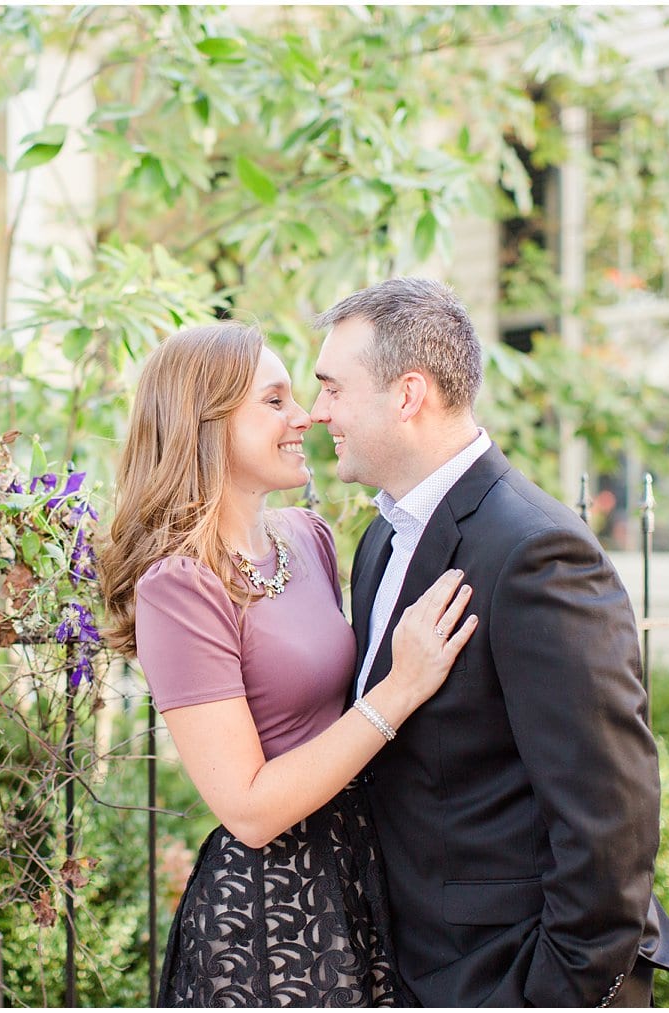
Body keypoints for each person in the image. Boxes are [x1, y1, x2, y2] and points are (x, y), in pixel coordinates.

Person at [310, 276, 669, 1007]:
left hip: (507, 973)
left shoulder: (534, 549)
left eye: (332, 388)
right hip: (408, 962)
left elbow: (609, 812)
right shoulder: (379, 540)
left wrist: (555, 987)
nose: (316, 412)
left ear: (407, 394)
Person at [100, 322, 475, 1007]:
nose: (304, 415)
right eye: (274, 401)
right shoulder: (179, 587)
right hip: (271, 911)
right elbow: (246, 809)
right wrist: (402, 688)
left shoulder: (307, 537)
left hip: (366, 868)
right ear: (205, 424)